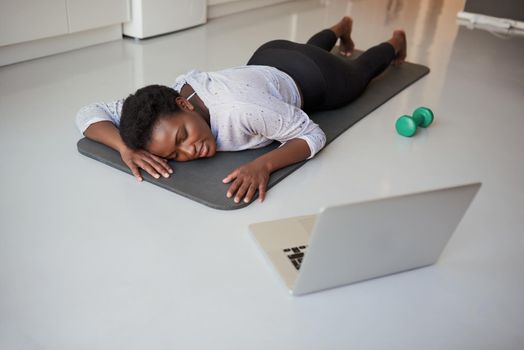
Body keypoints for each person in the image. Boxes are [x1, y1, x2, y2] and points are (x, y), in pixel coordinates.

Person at [75, 16, 407, 205]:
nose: (190, 151)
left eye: (183, 136)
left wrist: (263, 165)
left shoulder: (242, 111)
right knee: (307, 49)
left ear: (184, 103)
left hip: (314, 78)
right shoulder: (158, 108)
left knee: (358, 73)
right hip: (268, 57)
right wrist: (125, 148)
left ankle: (395, 42)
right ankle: (337, 30)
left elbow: (311, 133)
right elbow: (89, 112)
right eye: (175, 155)